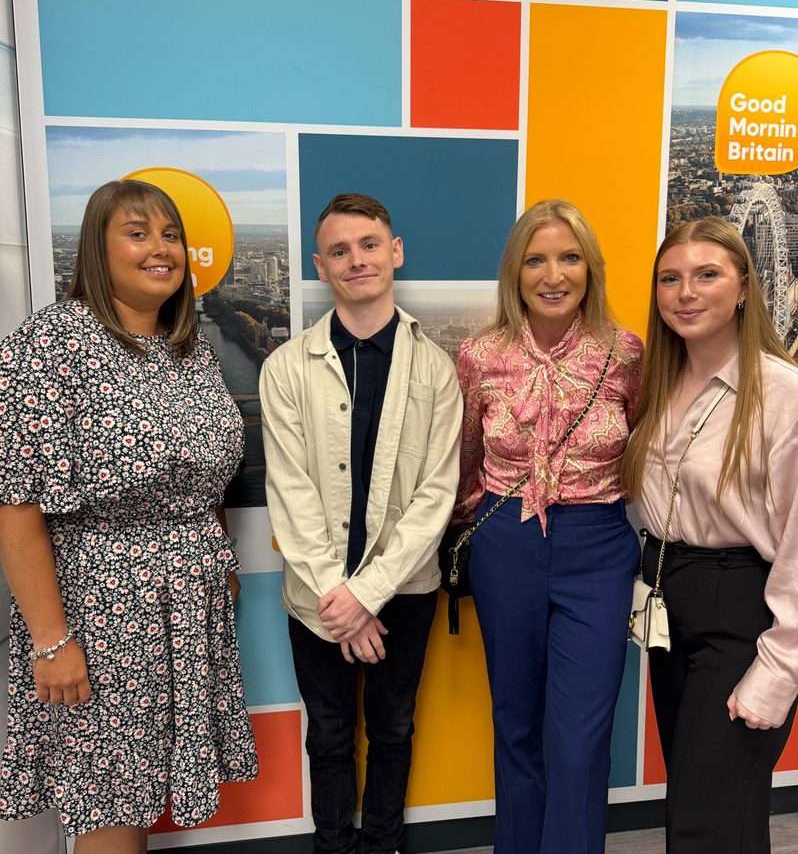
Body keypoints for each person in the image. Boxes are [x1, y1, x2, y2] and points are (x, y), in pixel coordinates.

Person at [0, 180, 258, 852]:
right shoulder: (56, 341)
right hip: (103, 608)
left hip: (186, 604)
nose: (161, 248)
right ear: (97, 247)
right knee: (110, 805)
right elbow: (16, 500)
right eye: (138, 233)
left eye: (170, 235)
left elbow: (202, 476)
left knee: (139, 795)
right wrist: (51, 640)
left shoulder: (189, 349)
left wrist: (219, 560)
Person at [260, 192, 462, 854]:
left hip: (402, 593)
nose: (357, 260)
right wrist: (339, 597)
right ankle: (333, 847)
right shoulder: (286, 368)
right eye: (340, 250)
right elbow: (291, 495)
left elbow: (435, 496)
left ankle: (383, 844)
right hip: (315, 593)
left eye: (370, 244)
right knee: (329, 734)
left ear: (395, 251)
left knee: (394, 728)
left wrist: (367, 594)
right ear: (321, 265)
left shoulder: (436, 370)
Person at [451, 198, 643, 854]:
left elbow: (642, 443)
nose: (553, 273)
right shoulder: (479, 354)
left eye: (569, 257)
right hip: (507, 543)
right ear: (515, 271)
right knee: (517, 724)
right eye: (536, 259)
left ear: (591, 269)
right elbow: (466, 464)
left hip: (598, 548)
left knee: (581, 737)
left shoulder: (624, 352)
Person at [621, 215, 798, 852]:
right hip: (672, 597)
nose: (685, 292)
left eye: (707, 275)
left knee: (703, 819)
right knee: (715, 809)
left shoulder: (782, 395)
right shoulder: (657, 385)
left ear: (745, 287)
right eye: (670, 279)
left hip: (743, 608)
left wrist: (779, 670)